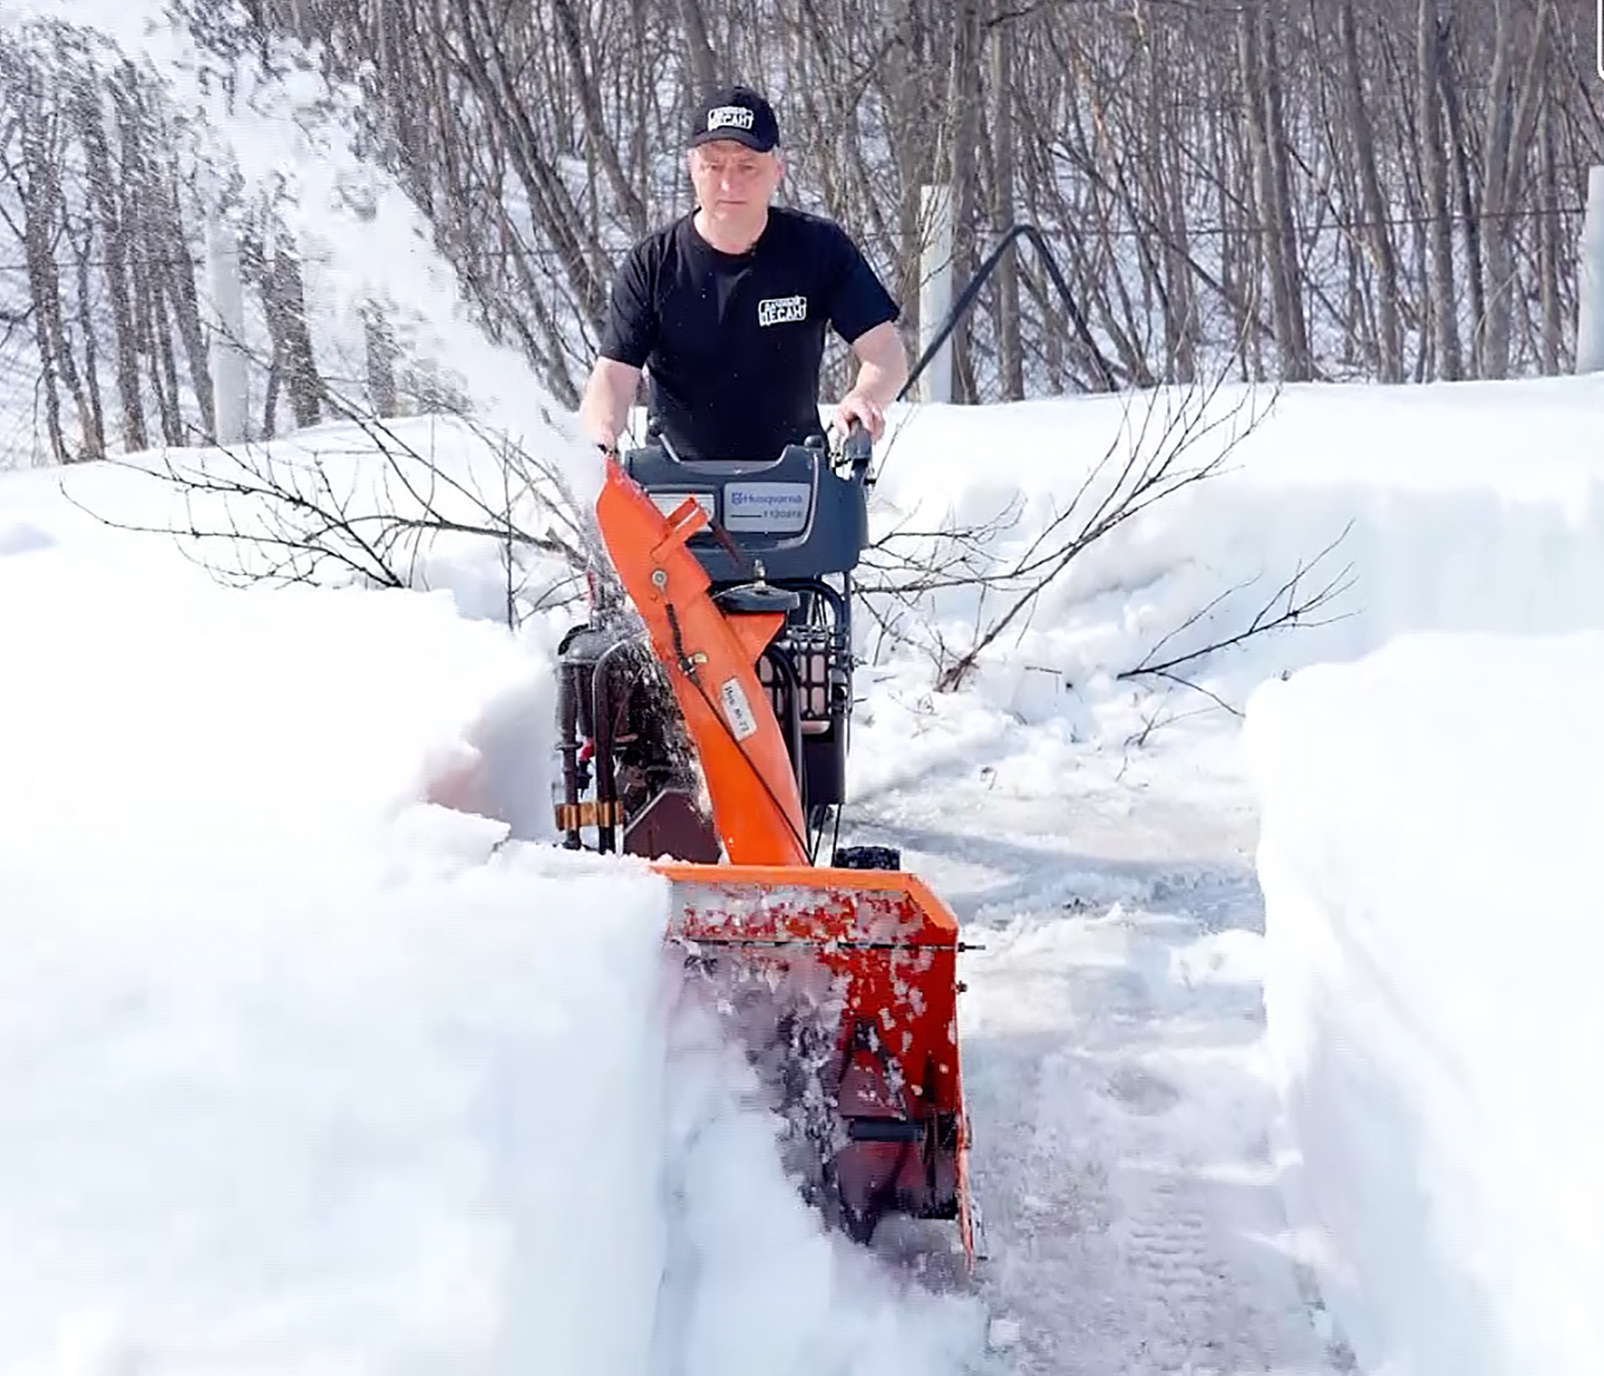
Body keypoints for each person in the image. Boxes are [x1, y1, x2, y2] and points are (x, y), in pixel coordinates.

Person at [578, 84, 908, 463]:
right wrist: (601, 437)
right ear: (691, 168)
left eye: (747, 167)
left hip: (796, 481)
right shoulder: (652, 265)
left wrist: (863, 399)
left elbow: (886, 352)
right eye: (714, 166)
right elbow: (614, 378)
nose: (729, 184)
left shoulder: (820, 248)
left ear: (777, 169)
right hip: (675, 491)